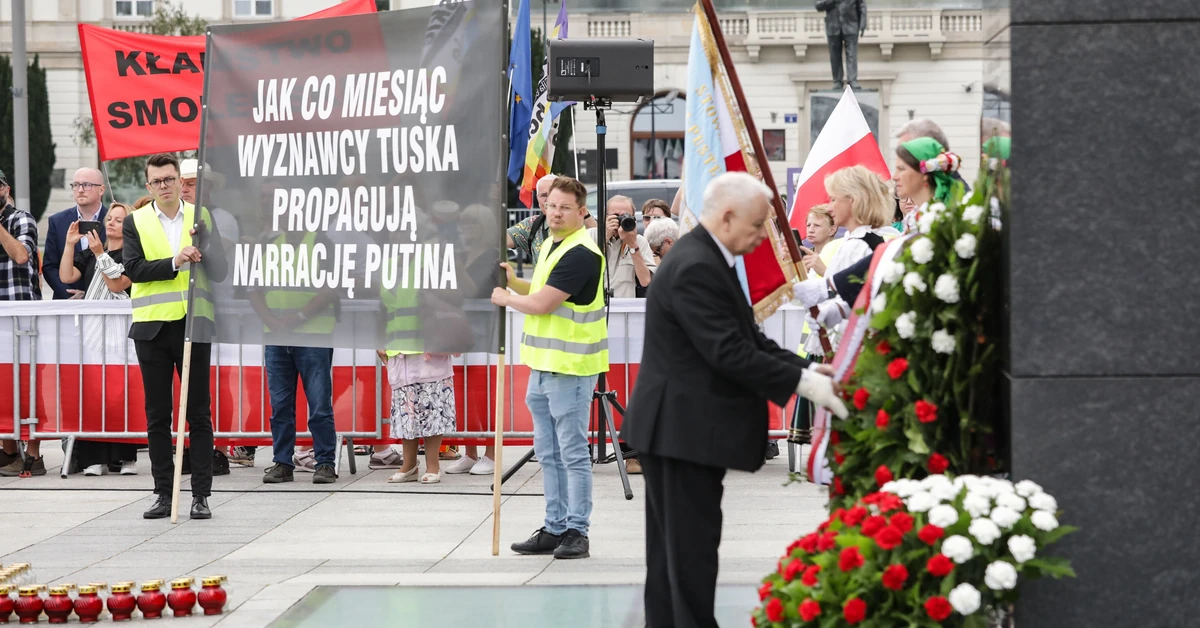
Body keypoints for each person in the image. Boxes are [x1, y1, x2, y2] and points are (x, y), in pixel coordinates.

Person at [620, 172, 848, 628]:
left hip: (679, 429)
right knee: (690, 556)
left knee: (675, 558)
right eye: (758, 224)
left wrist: (805, 369)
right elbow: (729, 351)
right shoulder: (698, 265)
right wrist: (805, 386)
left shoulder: (705, 257)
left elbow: (749, 338)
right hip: (681, 432)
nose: (763, 234)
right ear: (726, 217)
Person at [492, 176, 605, 561]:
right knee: (549, 453)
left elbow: (544, 305)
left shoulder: (580, 253)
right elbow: (539, 291)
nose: (556, 213)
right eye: (552, 205)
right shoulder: (552, 247)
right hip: (543, 367)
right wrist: (515, 284)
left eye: (564, 208)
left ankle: (577, 530)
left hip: (570, 369)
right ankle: (555, 527)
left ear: (581, 211)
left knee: (572, 453)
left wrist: (505, 297)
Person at [124, 153, 227, 520]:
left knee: (198, 412)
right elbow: (133, 269)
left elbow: (220, 271)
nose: (165, 186)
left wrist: (206, 250)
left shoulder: (201, 217)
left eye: (171, 179)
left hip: (193, 324)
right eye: (158, 181)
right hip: (152, 328)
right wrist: (176, 261)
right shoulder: (136, 221)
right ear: (148, 185)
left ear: (179, 182)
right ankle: (163, 493)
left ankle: (201, 494)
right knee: (158, 415)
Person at [248, 228, 341, 486]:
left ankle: (324, 463)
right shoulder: (268, 243)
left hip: (314, 335)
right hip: (277, 337)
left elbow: (331, 287)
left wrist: (296, 318)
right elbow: (253, 287)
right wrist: (272, 321)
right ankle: (282, 463)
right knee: (280, 406)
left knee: (319, 404)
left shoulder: (321, 242)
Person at [58, 203, 139, 476]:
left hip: (120, 333)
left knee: (119, 393)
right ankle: (95, 457)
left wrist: (101, 253)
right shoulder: (90, 253)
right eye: (110, 219)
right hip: (93, 334)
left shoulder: (134, 254)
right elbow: (66, 276)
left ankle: (125, 457)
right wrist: (70, 245)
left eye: (119, 219)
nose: (113, 223)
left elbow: (118, 284)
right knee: (92, 393)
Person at [798, 166, 898, 358]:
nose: (829, 207)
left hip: (844, 347)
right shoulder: (863, 240)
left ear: (853, 201)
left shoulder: (857, 245)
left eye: (834, 199)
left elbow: (851, 298)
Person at [445, 203, 500, 476]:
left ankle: (491, 453)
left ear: (485, 227)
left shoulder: (493, 256)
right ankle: (469, 452)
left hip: (484, 333)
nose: (465, 229)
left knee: (484, 396)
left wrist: (458, 270)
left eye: (471, 223)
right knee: (463, 395)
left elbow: (478, 290)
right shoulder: (462, 253)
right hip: (460, 330)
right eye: (462, 223)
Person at [0, 169, 45, 477]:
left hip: (21, 315)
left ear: (5, 189)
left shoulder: (21, 219)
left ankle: (34, 454)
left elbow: (20, 255)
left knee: (27, 384)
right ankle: (9, 450)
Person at [44, 168, 108, 300]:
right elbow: (50, 266)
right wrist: (68, 293)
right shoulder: (57, 221)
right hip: (67, 303)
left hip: (104, 301)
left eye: (87, 185)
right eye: (76, 185)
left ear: (101, 190)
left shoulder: (115, 221)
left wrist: (91, 294)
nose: (80, 190)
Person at [589, 195, 655, 298]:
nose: (620, 220)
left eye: (625, 216)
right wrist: (604, 237)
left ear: (633, 218)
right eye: (615, 216)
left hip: (624, 309)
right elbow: (583, 270)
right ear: (605, 217)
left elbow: (646, 281)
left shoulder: (639, 242)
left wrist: (633, 245)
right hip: (595, 307)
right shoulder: (590, 236)